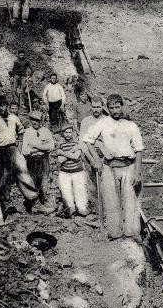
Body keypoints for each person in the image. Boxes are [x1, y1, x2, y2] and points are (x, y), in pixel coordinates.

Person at [83, 94, 143, 239]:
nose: (115, 111)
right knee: (111, 201)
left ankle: (130, 232)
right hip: (109, 166)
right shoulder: (103, 123)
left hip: (128, 166)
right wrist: (96, 160)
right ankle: (115, 233)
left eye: (117, 107)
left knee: (130, 201)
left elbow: (139, 150)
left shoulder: (130, 125)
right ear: (108, 109)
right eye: (111, 108)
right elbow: (88, 140)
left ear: (122, 106)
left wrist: (137, 172)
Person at [0, 94, 37, 213]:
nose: (1, 108)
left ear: (7, 106)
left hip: (12, 148)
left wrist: (19, 146)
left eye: (3, 105)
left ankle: (32, 200)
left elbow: (21, 131)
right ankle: (3, 204)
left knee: (22, 170)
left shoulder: (13, 118)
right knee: (3, 177)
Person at [21, 110, 55, 213]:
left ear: (41, 121)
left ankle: (42, 203)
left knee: (44, 181)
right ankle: (32, 206)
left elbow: (50, 147)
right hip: (31, 160)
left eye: (37, 120)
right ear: (30, 120)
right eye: (33, 120)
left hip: (43, 159)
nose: (35, 122)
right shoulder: (27, 132)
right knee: (32, 182)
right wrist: (41, 147)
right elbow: (25, 151)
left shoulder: (46, 131)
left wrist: (35, 146)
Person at [54, 124, 89, 218]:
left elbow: (76, 156)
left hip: (78, 171)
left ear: (73, 132)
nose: (68, 134)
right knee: (67, 193)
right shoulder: (60, 145)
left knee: (80, 192)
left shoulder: (77, 143)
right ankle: (70, 211)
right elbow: (61, 160)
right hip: (65, 172)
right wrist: (71, 152)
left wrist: (62, 153)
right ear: (63, 133)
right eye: (66, 132)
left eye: (70, 132)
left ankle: (81, 210)